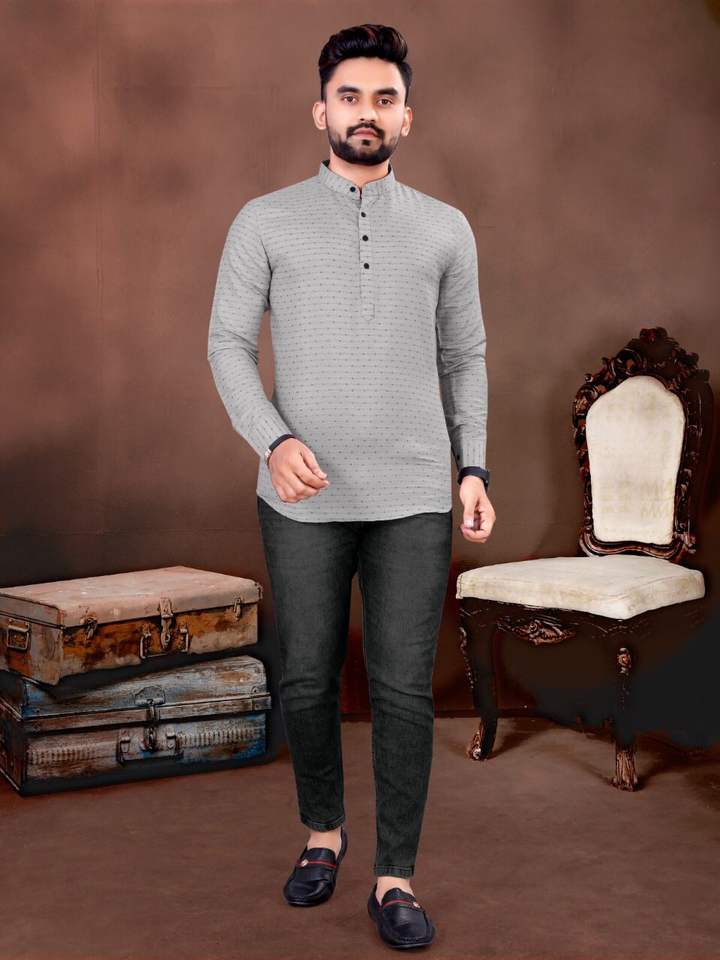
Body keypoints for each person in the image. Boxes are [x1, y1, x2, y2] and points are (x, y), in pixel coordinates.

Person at [207, 22, 496, 949]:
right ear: (319, 111)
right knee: (306, 676)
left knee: (404, 690)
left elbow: (465, 356)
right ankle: (323, 834)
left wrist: (473, 466)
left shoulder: (445, 228)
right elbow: (226, 345)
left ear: (407, 117)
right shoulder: (264, 220)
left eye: (384, 98)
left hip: (414, 492)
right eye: (349, 96)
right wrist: (272, 438)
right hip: (302, 494)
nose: (365, 113)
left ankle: (395, 876)